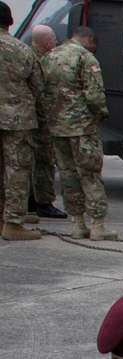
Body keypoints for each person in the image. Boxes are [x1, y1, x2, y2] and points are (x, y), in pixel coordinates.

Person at [41, 25, 116, 240]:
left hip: (57, 127)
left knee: (67, 176)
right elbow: (94, 96)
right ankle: (98, 226)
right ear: (89, 40)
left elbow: (42, 91)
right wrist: (101, 114)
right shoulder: (86, 58)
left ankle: (77, 224)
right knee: (90, 175)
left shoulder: (49, 56)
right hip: (83, 128)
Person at [0, 2, 44, 241]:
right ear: (10, 22)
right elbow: (38, 85)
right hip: (17, 119)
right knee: (16, 170)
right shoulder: (22, 50)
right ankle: (13, 222)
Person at [27, 24, 64, 219]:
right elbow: (43, 92)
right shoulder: (45, 62)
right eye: (54, 39)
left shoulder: (26, 57)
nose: (56, 42)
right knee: (44, 161)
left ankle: (30, 200)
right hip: (42, 119)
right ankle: (43, 202)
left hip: (26, 118)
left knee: (27, 161)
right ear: (47, 42)